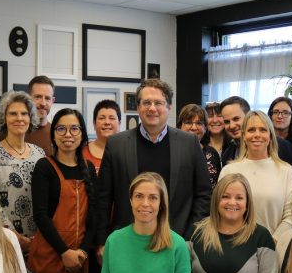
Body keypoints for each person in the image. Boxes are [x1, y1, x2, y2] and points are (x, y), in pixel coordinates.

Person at [98, 78, 210, 247]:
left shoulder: (190, 143)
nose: (152, 108)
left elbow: (203, 194)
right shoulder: (116, 145)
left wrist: (189, 236)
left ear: (169, 107)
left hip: (176, 241)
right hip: (127, 242)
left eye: (159, 103)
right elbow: (103, 198)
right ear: (138, 107)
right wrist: (101, 241)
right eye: (146, 102)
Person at [27, 109, 97, 273]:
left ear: (83, 134)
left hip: (80, 259)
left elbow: (94, 216)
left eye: (74, 128)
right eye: (61, 129)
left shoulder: (90, 168)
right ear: (54, 134)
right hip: (50, 255)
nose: (68, 134)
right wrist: (64, 252)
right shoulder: (44, 167)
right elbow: (40, 215)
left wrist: (83, 251)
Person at [189, 174, 277, 273]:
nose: (232, 202)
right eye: (225, 197)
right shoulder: (196, 233)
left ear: (247, 203)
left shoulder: (262, 236)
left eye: (239, 198)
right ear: (216, 200)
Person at [0, 91, 45, 252]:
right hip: (4, 240)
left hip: (39, 241)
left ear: (30, 118)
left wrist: (41, 235)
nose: (19, 118)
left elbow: (47, 198)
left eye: (24, 113)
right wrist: (14, 236)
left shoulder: (39, 153)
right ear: (4, 118)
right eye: (13, 113)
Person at [218, 111, 292, 240]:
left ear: (270, 136)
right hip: (236, 245)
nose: (257, 135)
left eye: (262, 130)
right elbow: (221, 210)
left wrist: (271, 242)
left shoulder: (286, 171)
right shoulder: (229, 171)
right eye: (251, 130)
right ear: (244, 135)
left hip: (276, 248)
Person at [219, 96, 292, 174]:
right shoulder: (227, 153)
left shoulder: (282, 147)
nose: (232, 125)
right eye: (227, 122)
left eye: (236, 119)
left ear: (248, 116)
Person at [177, 103, 221, 188]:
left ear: (205, 127)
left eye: (199, 123)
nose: (194, 127)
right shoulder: (173, 151)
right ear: (180, 126)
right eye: (188, 122)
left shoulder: (212, 154)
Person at [83, 99, 121, 173]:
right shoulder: (82, 152)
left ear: (119, 123)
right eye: (101, 118)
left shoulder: (128, 152)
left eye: (112, 118)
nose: (107, 122)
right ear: (94, 124)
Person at [25, 75, 56, 156]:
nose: (43, 103)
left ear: (52, 101)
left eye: (47, 98)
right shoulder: (14, 132)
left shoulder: (58, 134)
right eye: (38, 97)